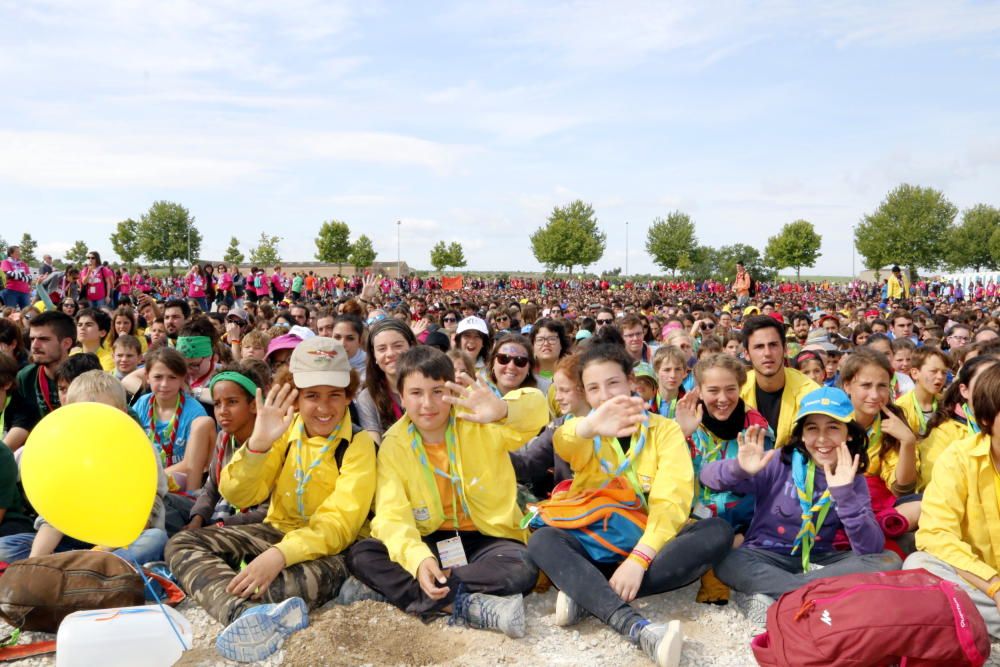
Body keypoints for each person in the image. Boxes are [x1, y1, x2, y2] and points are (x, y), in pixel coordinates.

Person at [165, 337, 376, 662]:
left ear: (348, 395)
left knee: (273, 586)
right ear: (295, 396)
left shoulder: (359, 445)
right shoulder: (283, 430)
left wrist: (280, 555)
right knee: (181, 544)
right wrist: (257, 446)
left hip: (333, 550)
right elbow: (239, 493)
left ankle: (248, 608)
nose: (323, 407)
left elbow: (339, 525)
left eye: (334, 395)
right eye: (311, 396)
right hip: (276, 531)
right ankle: (245, 615)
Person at [527, 343, 732, 667]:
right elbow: (564, 440)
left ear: (631, 382)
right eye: (593, 388)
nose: (605, 395)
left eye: (613, 383)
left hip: (649, 547)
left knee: (717, 531)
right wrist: (590, 426)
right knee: (543, 539)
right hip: (596, 541)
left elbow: (671, 501)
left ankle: (587, 592)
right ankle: (634, 625)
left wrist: (639, 558)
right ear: (585, 392)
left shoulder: (663, 430)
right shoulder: (583, 430)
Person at [344, 346, 546, 638]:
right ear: (400, 396)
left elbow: (537, 408)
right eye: (416, 393)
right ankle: (465, 605)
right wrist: (418, 560)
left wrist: (502, 410)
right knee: (363, 553)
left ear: (452, 391)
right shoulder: (393, 445)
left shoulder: (479, 420)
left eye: (438, 391)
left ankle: (418, 593)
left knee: (522, 567)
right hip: (430, 540)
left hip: (485, 537)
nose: (428, 403)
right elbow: (391, 516)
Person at [702, 386, 902, 625]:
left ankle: (782, 598)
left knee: (889, 560)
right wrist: (739, 468)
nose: (821, 439)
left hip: (820, 559)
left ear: (848, 433)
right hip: (766, 554)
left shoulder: (852, 477)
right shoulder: (779, 461)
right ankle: (815, 597)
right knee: (729, 561)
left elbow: (870, 547)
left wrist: (845, 496)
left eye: (833, 428)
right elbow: (708, 478)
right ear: (802, 435)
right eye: (812, 428)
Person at [0, 371, 169, 564]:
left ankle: (91, 568)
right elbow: (54, 513)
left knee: (155, 540)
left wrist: (100, 552)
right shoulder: (64, 449)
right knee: (6, 547)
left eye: (102, 413)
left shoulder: (139, 447)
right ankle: (71, 568)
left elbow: (147, 511)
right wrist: (34, 562)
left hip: (120, 540)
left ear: (122, 413)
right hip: (69, 537)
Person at [904, 362, 1000, 639]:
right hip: (978, 580)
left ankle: (971, 621)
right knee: (918, 565)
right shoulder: (959, 458)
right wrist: (993, 584)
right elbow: (935, 534)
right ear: (985, 419)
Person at [673, 353, 774, 603]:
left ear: (741, 388)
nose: (722, 399)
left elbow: (767, 491)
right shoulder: (684, 423)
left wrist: (743, 535)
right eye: (713, 390)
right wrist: (680, 435)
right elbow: (667, 479)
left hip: (742, 527)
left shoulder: (757, 431)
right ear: (699, 390)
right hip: (692, 523)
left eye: (730, 389)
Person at [183, 362, 270, 532]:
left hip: (247, 525)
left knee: (175, 543)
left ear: (253, 405)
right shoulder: (223, 437)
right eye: (217, 404)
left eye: (232, 402)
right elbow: (211, 488)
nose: (222, 411)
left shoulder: (270, 442)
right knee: (162, 502)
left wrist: (217, 527)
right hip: (219, 512)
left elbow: (267, 510)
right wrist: (197, 520)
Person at [133, 347, 215, 494]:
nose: (164, 384)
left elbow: (191, 464)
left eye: (172, 377)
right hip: (145, 479)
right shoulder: (142, 404)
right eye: (158, 377)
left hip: (178, 483)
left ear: (183, 378)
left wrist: (153, 479)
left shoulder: (195, 412)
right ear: (147, 376)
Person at [510, 353, 589, 498]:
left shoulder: (610, 426)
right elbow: (528, 464)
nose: (557, 397)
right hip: (570, 510)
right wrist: (491, 446)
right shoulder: (557, 427)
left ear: (585, 388)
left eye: (565, 390)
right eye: (556, 390)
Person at [918, 355, 998, 491]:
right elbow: (935, 487)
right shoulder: (944, 433)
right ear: (964, 390)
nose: (992, 389)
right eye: (983, 383)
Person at [738, 316, 819, 447]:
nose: (767, 353)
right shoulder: (737, 391)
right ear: (747, 354)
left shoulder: (811, 393)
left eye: (773, 345)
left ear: (785, 349)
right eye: (759, 347)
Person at [1, 311, 75, 450]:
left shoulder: (84, 375)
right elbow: (18, 423)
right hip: (38, 452)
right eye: (32, 339)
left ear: (66, 343)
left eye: (44, 339)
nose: (34, 346)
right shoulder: (25, 377)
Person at [355, 319, 416, 444]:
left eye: (398, 346)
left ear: (412, 346)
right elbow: (375, 447)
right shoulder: (368, 398)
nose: (390, 353)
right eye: (382, 349)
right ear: (374, 356)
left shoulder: (432, 386)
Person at [897, 347, 950, 437]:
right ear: (915, 373)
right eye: (934, 371)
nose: (940, 377)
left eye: (944, 372)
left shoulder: (947, 404)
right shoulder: (901, 408)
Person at [72, 308, 114, 372]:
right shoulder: (73, 353)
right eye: (79, 325)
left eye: (89, 325)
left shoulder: (109, 359)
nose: (82, 328)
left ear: (102, 333)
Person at [651, 346, 687, 419]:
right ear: (656, 372)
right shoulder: (646, 402)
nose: (673, 375)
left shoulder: (689, 403)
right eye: (667, 370)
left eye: (677, 369)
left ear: (684, 372)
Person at [1, 246, 32, 310]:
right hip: (11, 291)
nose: (19, 253)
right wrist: (23, 276)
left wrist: (17, 276)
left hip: (25, 292)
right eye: (17, 252)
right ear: (11, 253)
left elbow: (30, 277)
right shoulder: (5, 262)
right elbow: (9, 275)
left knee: (27, 313)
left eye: (19, 251)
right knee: (10, 313)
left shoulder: (23, 264)